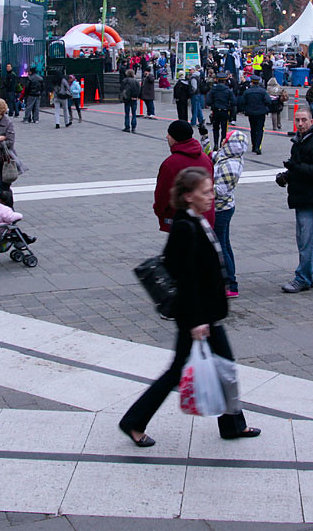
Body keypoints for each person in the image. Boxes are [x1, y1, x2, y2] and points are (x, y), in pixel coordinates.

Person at [119, 167, 260, 447]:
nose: (211, 196)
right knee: (181, 371)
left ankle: (232, 423)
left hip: (206, 313)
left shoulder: (195, 219)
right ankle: (134, 422)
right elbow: (186, 278)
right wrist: (196, 321)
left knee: (224, 367)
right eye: (205, 192)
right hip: (195, 316)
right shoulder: (185, 226)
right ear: (188, 196)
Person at [280, 106, 313, 293]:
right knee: (306, 239)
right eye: (297, 120)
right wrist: (287, 175)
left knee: (306, 240)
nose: (300, 124)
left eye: (304, 120)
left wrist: (296, 168)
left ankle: (303, 278)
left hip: (312, 198)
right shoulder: (301, 142)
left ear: (311, 121)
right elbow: (300, 168)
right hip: (303, 196)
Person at [153, 120, 214, 231]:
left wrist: (160, 213)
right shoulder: (205, 158)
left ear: (176, 137)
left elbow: (162, 195)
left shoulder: (170, 164)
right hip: (205, 216)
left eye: (169, 134)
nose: (167, 137)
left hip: (181, 221)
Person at [211, 131, 248, 297]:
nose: (224, 140)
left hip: (222, 209)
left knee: (221, 248)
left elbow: (221, 190)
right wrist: (204, 138)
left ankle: (231, 285)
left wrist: (198, 188)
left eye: (227, 138)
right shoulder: (225, 156)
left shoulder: (231, 165)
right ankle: (229, 283)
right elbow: (210, 155)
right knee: (224, 245)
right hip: (222, 208)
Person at [238, 75, 272, 155]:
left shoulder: (247, 92)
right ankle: (258, 146)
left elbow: (242, 102)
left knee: (253, 129)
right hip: (261, 112)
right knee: (260, 129)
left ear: (252, 82)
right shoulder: (262, 91)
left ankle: (254, 145)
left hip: (251, 112)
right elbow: (268, 101)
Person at [205, 72, 237, 150]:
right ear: (225, 81)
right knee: (224, 129)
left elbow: (208, 101)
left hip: (215, 111)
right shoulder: (228, 90)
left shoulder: (213, 90)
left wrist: (213, 104)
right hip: (225, 111)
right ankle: (222, 144)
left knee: (215, 128)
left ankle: (215, 143)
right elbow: (234, 102)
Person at [120, 69, 141, 133]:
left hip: (127, 99)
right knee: (134, 113)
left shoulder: (125, 80)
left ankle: (127, 127)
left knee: (127, 113)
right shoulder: (136, 81)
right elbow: (139, 90)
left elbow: (122, 89)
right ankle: (133, 127)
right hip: (134, 98)